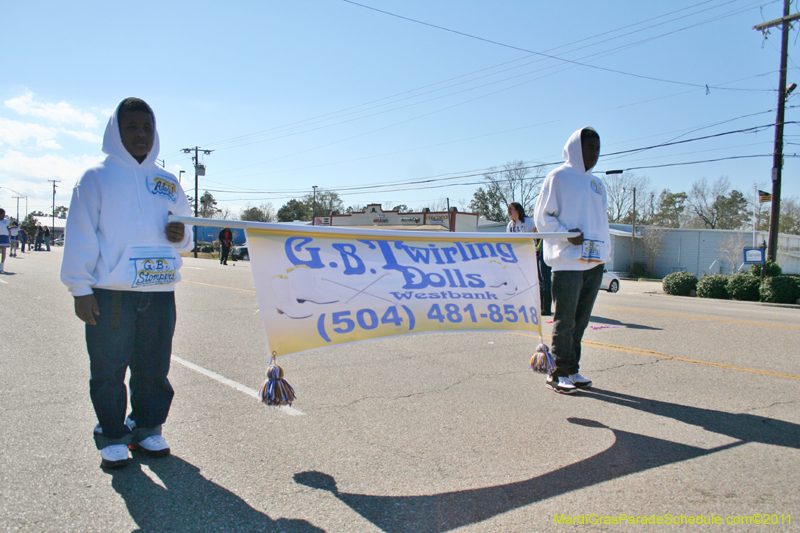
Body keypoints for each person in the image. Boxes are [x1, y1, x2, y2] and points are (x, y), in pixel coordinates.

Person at [60, 97, 193, 469]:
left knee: (153, 366)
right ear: (115, 132)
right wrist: (80, 288)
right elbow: (81, 233)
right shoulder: (95, 177)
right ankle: (113, 433)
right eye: (131, 127)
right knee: (108, 368)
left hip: (159, 290)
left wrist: (181, 234)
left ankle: (148, 426)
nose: (141, 135)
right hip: (112, 293)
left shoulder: (167, 181)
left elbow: (187, 234)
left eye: (147, 128)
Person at [533, 127, 610, 394]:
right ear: (576, 148)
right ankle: (557, 372)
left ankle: (573, 368)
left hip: (593, 263)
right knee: (564, 321)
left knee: (581, 320)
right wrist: (566, 235)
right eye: (589, 148)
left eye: (598, 149)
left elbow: (603, 223)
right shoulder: (558, 177)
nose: (594, 154)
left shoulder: (597, 184)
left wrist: (605, 255)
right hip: (567, 262)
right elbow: (543, 218)